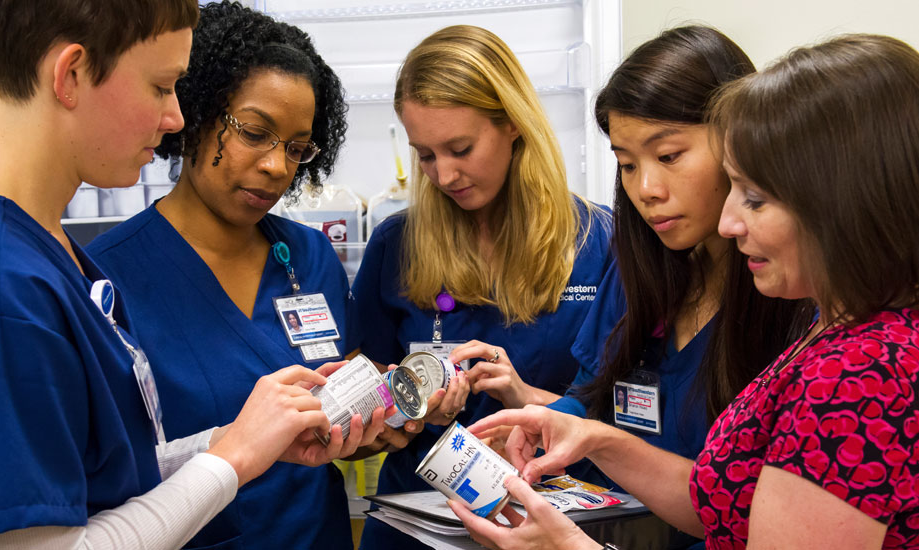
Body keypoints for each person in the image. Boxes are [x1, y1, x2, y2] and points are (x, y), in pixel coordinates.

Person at [0, 1, 381, 549]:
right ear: (71, 75)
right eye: (161, 86)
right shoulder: (4, 286)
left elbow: (106, 477)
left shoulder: (30, 248)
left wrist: (238, 439)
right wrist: (236, 456)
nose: (176, 116)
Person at [455, 33, 919, 549]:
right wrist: (597, 438)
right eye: (627, 165)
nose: (729, 222)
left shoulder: (857, 371)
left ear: (841, 199)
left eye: (755, 197)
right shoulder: (839, 333)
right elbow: (723, 506)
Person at [86, 3, 376, 549]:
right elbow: (106, 476)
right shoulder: (107, 277)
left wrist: (384, 421)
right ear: (194, 112)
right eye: (255, 132)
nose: (276, 167)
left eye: (296, 148)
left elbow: (340, 421)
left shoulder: (310, 256)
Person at [350, 25, 613, 550]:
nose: (444, 175)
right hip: (417, 523)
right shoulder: (396, 244)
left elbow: (626, 419)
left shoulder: (598, 242)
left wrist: (531, 404)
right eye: (426, 155)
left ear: (512, 122)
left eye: (460, 148)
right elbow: (363, 407)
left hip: (550, 524)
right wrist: (410, 410)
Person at [543, 26, 811, 494]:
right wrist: (544, 427)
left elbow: (748, 507)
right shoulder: (638, 268)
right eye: (627, 165)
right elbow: (591, 394)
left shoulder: (795, 291)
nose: (646, 189)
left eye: (668, 156)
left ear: (739, 141)